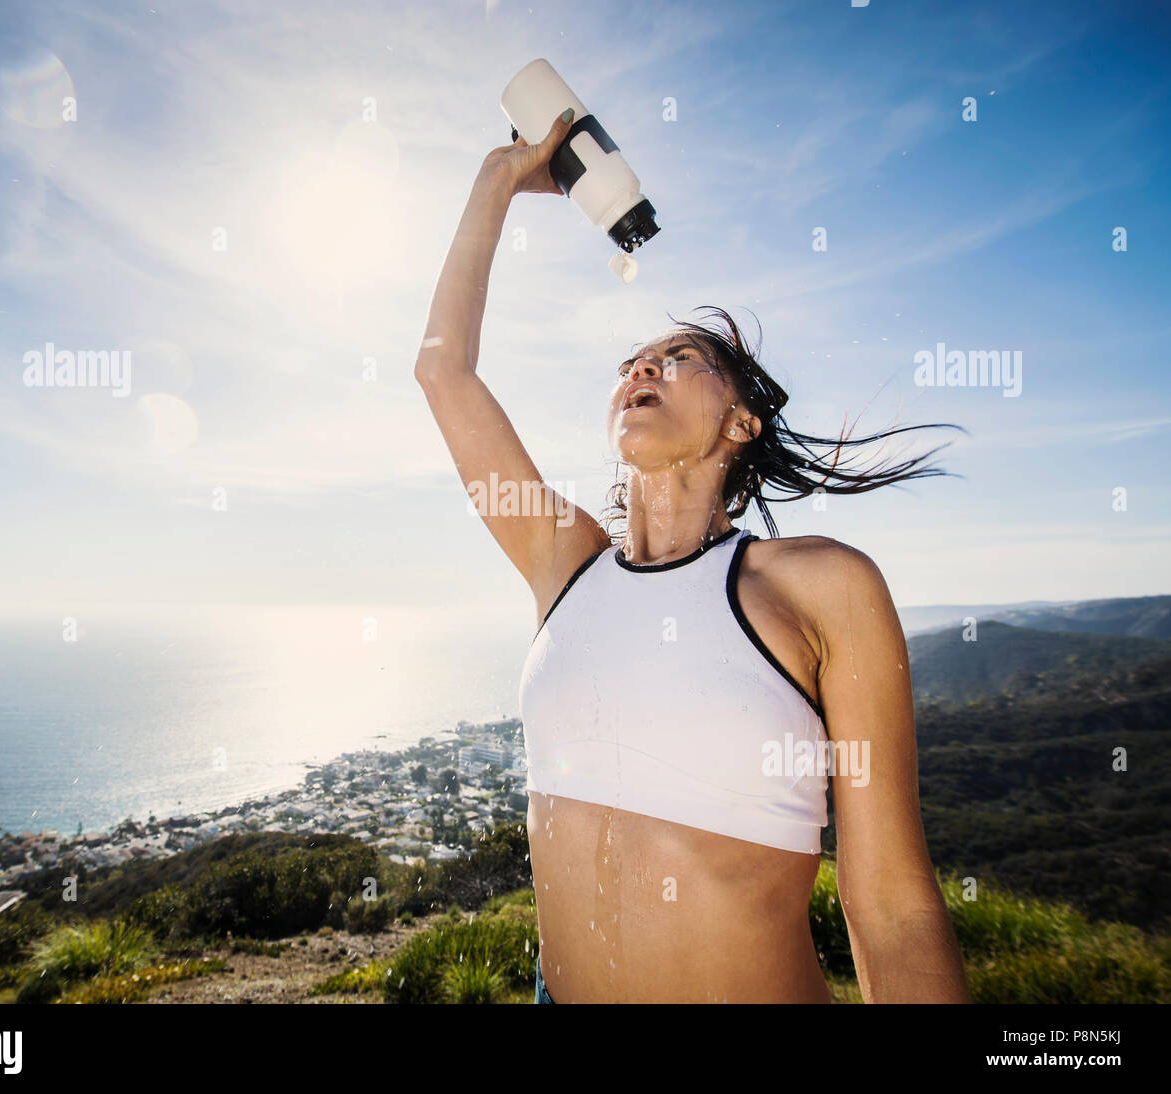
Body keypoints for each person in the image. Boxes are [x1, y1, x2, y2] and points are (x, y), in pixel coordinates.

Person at [415, 111, 972, 1004]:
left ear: (740, 423)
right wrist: (496, 181)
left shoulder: (822, 586)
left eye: (681, 359)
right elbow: (444, 371)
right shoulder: (565, 565)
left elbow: (894, 909)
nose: (646, 369)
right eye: (634, 361)